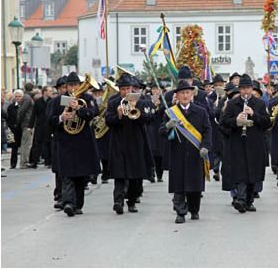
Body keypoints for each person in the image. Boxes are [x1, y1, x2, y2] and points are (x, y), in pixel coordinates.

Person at [48, 72, 100, 217]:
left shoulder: (87, 99)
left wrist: (79, 109)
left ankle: (78, 205)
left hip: (83, 143)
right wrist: (61, 118)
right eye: (70, 85)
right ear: (66, 86)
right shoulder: (58, 100)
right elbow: (50, 120)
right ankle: (69, 203)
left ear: (80, 85)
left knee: (81, 177)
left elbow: (92, 114)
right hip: (65, 142)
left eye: (75, 85)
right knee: (67, 175)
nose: (73, 88)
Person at [160, 80, 212, 223]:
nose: (185, 95)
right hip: (177, 153)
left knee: (195, 187)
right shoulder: (171, 112)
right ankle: (180, 212)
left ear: (192, 94)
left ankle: (194, 209)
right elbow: (161, 132)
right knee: (179, 185)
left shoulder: (201, 111)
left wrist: (205, 146)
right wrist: (168, 126)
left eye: (187, 92)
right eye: (182, 93)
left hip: (196, 153)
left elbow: (207, 131)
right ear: (176, 95)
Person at [221, 74, 271, 213]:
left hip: (255, 143)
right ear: (239, 89)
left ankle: (249, 201)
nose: (246, 91)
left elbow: (267, 123)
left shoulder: (260, 103)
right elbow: (224, 122)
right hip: (238, 143)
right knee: (241, 172)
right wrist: (236, 120)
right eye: (243, 88)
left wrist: (254, 114)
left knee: (253, 173)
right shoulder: (232, 104)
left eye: (248, 88)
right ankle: (241, 199)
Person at [105, 73, 154, 214]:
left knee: (135, 175)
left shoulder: (141, 101)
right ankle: (118, 201)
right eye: (123, 89)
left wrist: (137, 110)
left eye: (128, 89)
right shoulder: (113, 102)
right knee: (119, 175)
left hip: (136, 142)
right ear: (119, 90)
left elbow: (148, 118)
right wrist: (118, 116)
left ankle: (132, 201)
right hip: (119, 142)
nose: (126, 92)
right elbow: (108, 120)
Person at [50, 76, 67, 209]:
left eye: (67, 87)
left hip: (74, 140)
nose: (65, 90)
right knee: (60, 170)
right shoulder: (55, 102)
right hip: (60, 139)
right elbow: (50, 120)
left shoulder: (77, 100)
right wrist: (61, 118)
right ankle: (60, 195)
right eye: (63, 88)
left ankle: (69, 196)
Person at [27, 86, 52, 168]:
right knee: (37, 143)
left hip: (49, 125)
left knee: (48, 143)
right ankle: (34, 162)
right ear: (44, 92)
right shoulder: (38, 102)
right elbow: (34, 115)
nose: (50, 92)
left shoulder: (51, 101)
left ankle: (48, 162)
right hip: (40, 125)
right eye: (49, 91)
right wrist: (30, 126)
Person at [17, 83, 35, 169]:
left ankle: (24, 162)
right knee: (26, 143)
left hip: (25, 122)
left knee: (25, 143)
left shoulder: (26, 97)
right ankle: (24, 162)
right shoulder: (28, 98)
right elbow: (22, 111)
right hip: (27, 123)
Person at [6, 90, 24, 169]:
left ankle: (24, 162)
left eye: (19, 96)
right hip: (13, 129)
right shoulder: (11, 107)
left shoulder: (24, 106)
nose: (18, 98)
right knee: (14, 147)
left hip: (22, 128)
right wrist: (11, 126)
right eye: (16, 96)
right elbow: (8, 118)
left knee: (24, 146)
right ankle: (13, 163)